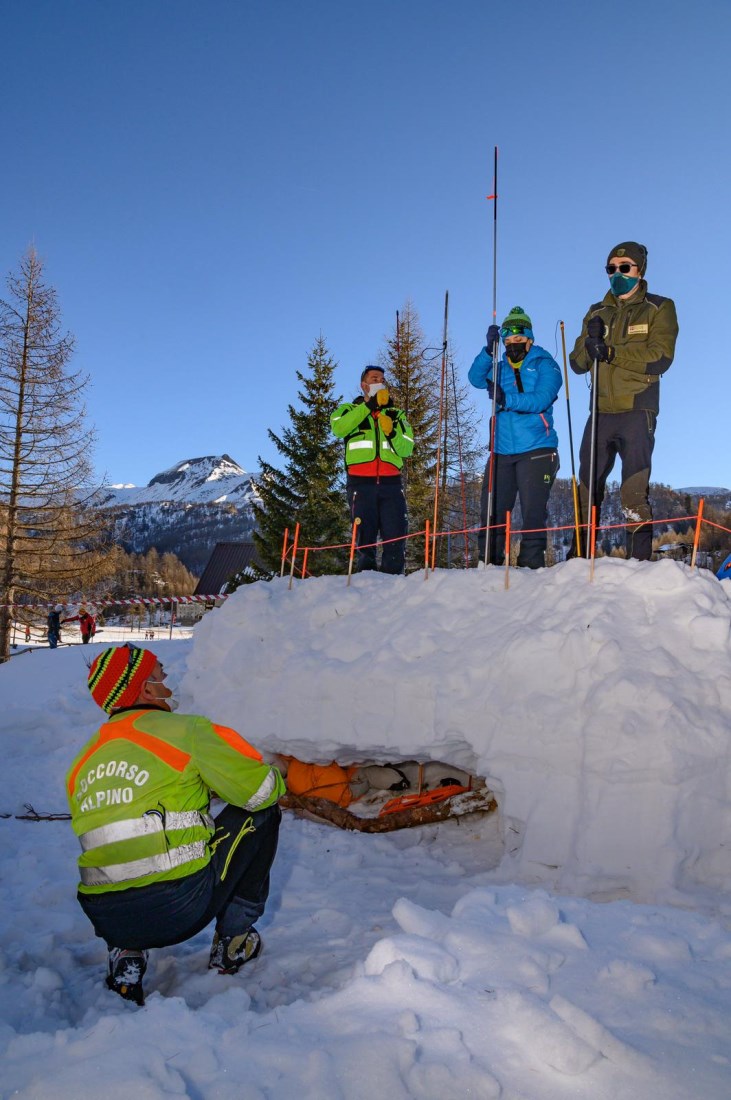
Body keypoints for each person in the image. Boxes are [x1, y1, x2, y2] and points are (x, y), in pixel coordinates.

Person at [66, 643, 285, 1005]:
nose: (169, 683)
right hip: (179, 908)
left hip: (107, 918)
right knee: (260, 814)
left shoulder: (82, 762)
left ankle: (126, 955)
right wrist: (277, 777)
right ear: (145, 689)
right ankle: (232, 942)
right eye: (161, 676)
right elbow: (258, 793)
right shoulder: (185, 731)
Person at [570, 242, 679, 560]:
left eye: (625, 267)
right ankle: (580, 557)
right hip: (600, 411)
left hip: (636, 408)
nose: (617, 273)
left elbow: (660, 357)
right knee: (588, 486)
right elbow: (577, 365)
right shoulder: (595, 312)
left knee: (633, 489)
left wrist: (613, 352)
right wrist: (589, 343)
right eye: (611, 268)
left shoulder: (659, 307)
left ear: (640, 270)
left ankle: (640, 560)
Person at [469, 307, 562, 568]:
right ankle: (489, 564)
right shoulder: (499, 368)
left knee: (532, 511)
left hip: (537, 448)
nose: (513, 346)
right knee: (492, 510)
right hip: (501, 451)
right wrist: (488, 351)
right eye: (508, 342)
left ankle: (531, 566)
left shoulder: (546, 365)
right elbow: (475, 378)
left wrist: (507, 398)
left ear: (530, 340)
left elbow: (542, 398)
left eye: (519, 341)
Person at [330, 365, 414, 574]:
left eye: (382, 379)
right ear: (364, 385)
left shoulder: (396, 414)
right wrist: (368, 407)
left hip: (391, 484)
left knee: (395, 536)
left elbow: (407, 448)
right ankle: (365, 583)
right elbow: (338, 428)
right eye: (374, 378)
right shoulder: (349, 410)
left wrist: (392, 431)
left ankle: (393, 581)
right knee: (364, 538)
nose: (379, 382)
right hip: (360, 483)